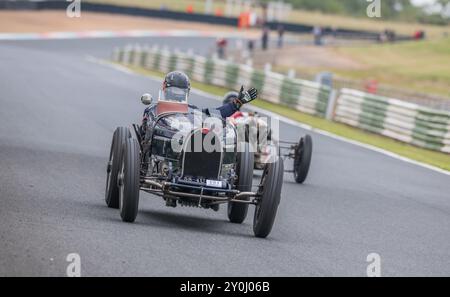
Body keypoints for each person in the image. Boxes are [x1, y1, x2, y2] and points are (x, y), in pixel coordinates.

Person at [141, 71, 258, 135]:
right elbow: (144, 132)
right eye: (174, 90)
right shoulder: (154, 109)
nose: (176, 94)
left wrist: (236, 103)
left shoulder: (193, 112)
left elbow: (217, 113)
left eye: (180, 91)